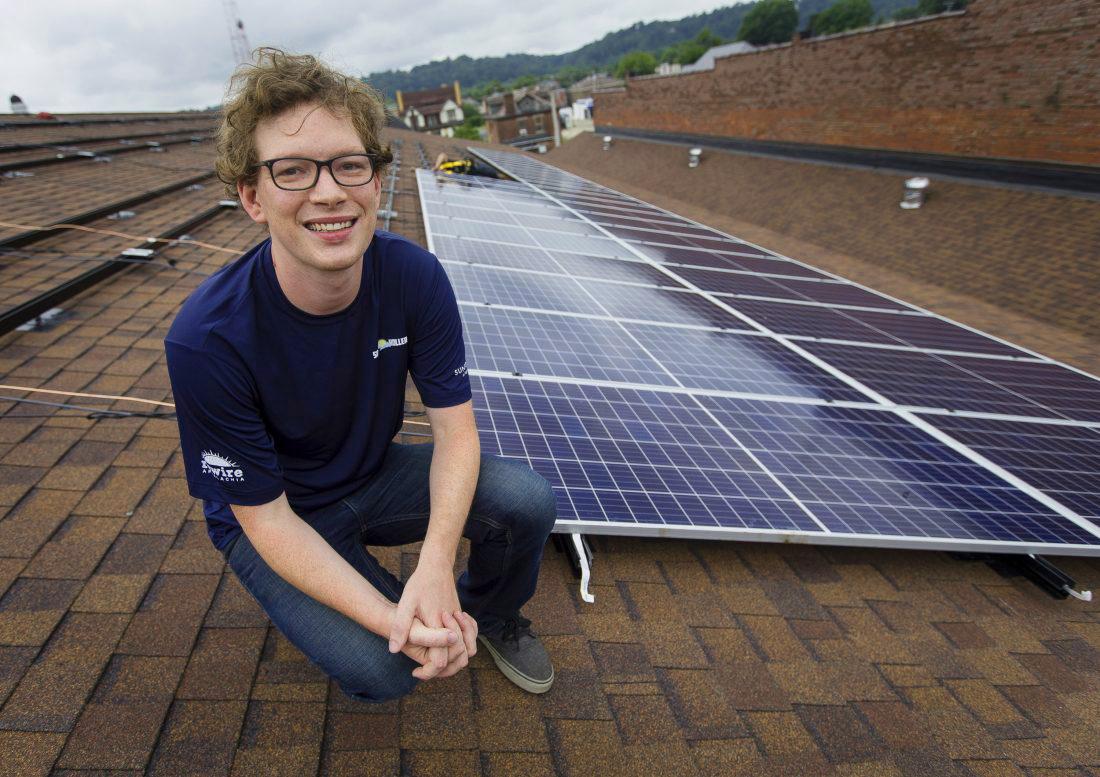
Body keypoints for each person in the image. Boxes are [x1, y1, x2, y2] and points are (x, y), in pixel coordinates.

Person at [164, 48, 557, 702]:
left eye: (350, 164)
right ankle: (374, 605)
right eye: (293, 171)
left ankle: (488, 613)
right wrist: (396, 619)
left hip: (371, 478)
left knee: (526, 500)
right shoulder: (207, 339)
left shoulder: (413, 278)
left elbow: (458, 437)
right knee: (386, 667)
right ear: (252, 197)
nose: (328, 191)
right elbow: (265, 520)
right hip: (279, 515)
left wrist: (433, 569)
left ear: (376, 181)